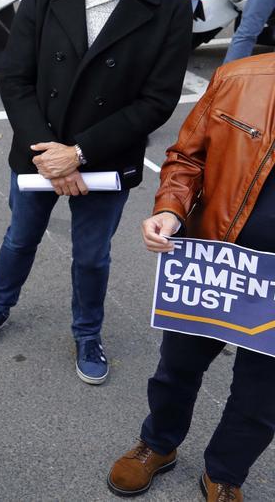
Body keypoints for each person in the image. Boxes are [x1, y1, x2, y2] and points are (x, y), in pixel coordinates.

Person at [0, 0, 194, 385]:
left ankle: (88, 333)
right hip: (39, 152)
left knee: (91, 256)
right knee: (19, 240)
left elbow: (157, 100)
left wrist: (80, 153)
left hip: (106, 157)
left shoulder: (169, 5)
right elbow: (17, 80)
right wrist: (52, 154)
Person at [104, 54, 275, 499]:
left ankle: (226, 474)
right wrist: (170, 209)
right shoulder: (240, 78)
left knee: (262, 394)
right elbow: (187, 158)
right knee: (177, 367)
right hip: (213, 260)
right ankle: (158, 444)